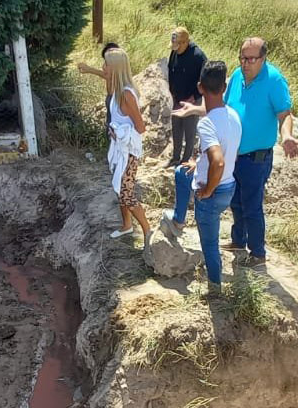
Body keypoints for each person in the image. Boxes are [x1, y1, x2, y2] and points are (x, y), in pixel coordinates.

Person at [174, 37, 298, 267]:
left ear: (263, 58)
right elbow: (222, 107)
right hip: (235, 155)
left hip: (256, 158)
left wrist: (287, 136)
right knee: (237, 203)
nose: (246, 63)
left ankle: (258, 253)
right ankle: (238, 241)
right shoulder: (238, 76)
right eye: (242, 57)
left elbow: (285, 114)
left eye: (252, 59)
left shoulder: (274, 80)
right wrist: (195, 109)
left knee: (252, 206)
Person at [159, 60, 240, 289]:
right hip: (229, 186)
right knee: (182, 172)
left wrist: (207, 190)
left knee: (210, 244)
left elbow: (218, 161)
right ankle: (178, 220)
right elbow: (222, 152)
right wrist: (199, 162)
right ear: (223, 88)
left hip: (214, 191)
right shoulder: (233, 115)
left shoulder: (206, 125)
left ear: (200, 87)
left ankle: (215, 288)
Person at [100, 48, 152, 242]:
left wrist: (119, 133)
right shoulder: (116, 90)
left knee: (126, 194)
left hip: (129, 152)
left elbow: (140, 127)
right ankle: (127, 225)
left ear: (114, 68)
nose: (103, 67)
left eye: (106, 64)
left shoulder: (126, 95)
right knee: (120, 191)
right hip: (120, 149)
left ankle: (147, 231)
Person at [166, 27, 207, 168]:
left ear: (185, 42)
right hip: (177, 98)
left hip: (192, 100)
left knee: (190, 133)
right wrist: (172, 91)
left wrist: (194, 97)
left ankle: (186, 160)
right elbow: (171, 70)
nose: (176, 49)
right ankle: (175, 158)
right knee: (176, 130)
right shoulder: (174, 53)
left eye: (178, 46)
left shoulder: (198, 56)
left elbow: (204, 79)